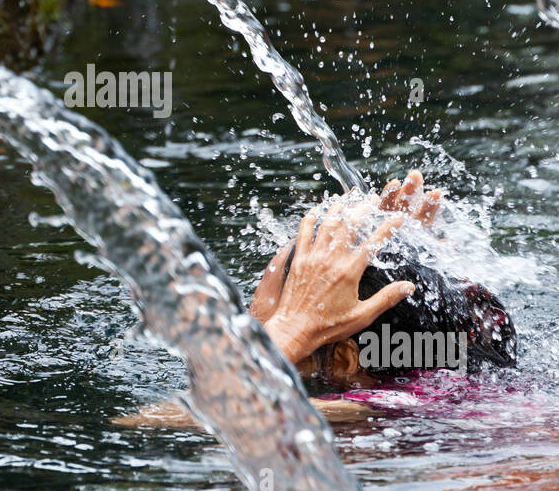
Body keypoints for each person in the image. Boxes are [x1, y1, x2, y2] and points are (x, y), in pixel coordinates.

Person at [115, 171, 517, 428]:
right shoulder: (438, 392)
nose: (242, 319)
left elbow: (140, 420)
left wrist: (292, 329)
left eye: (269, 311)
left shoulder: (371, 408)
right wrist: (418, 268)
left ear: (343, 361)